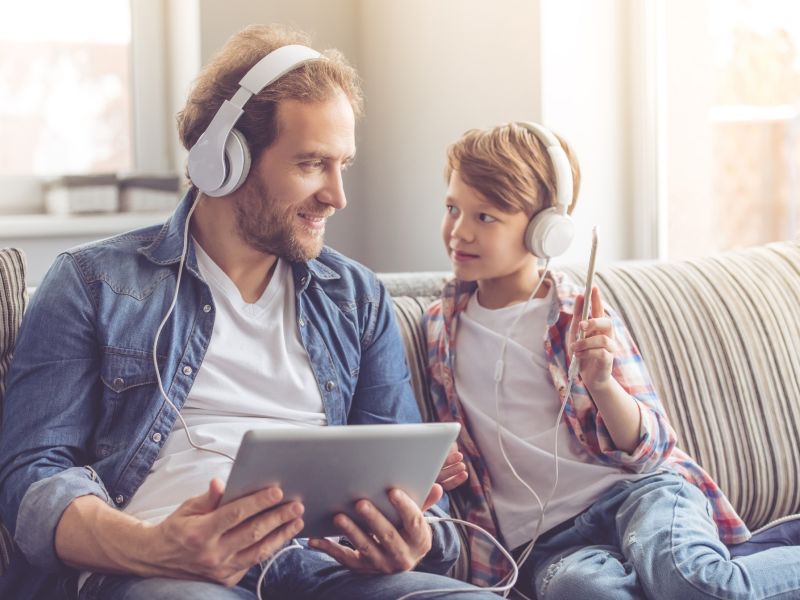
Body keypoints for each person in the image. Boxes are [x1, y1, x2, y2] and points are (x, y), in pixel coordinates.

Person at [0, 24, 502, 600]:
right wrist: (153, 545)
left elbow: (413, 497)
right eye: (312, 164)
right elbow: (30, 480)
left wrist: (412, 538)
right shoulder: (94, 284)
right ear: (225, 161)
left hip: (324, 570)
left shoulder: (357, 299)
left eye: (344, 166)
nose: (337, 196)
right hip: (159, 573)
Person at [423, 121, 800, 599]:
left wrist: (602, 384)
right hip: (546, 542)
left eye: (485, 217)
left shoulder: (575, 313)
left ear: (545, 231)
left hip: (639, 496)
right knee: (584, 593)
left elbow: (653, 447)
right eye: (453, 208)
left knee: (692, 583)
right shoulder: (440, 327)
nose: (459, 231)